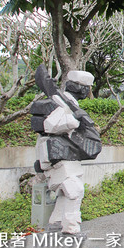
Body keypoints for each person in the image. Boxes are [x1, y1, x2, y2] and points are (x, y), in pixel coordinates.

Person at [32, 65, 101, 235]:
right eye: (86, 88)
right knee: (74, 189)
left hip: (68, 155)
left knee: (65, 191)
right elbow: (50, 124)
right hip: (57, 155)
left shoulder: (69, 103)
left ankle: (56, 222)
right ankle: (71, 227)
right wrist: (74, 121)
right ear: (80, 88)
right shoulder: (57, 102)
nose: (87, 92)